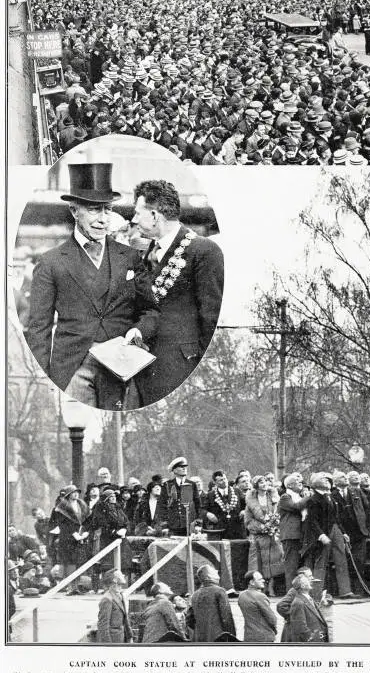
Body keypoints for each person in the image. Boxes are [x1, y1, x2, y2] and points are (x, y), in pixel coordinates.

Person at [24, 162, 158, 409]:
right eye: (94, 210)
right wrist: (45, 381)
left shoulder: (129, 257)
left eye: (107, 210)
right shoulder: (51, 262)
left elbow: (150, 311)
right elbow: (38, 329)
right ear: (74, 211)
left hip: (119, 370)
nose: (103, 219)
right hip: (73, 369)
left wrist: (138, 331)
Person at [131, 179, 223, 404]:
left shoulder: (203, 251)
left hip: (180, 372)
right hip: (143, 370)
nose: (133, 220)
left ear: (154, 216)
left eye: (137, 213)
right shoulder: (147, 252)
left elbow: (211, 319)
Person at [300, 472, 354, 599]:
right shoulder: (312, 500)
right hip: (323, 533)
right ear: (315, 483)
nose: (327, 481)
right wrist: (321, 535)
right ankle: (316, 593)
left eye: (328, 480)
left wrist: (343, 532)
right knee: (321, 562)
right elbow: (311, 521)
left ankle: (345, 590)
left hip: (335, 530)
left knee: (341, 559)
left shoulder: (330, 497)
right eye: (323, 479)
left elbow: (336, 517)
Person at [244, 475, 283, 594]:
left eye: (265, 481)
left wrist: (273, 525)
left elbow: (279, 514)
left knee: (272, 561)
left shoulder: (273, 498)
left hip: (272, 535)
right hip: (258, 536)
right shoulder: (251, 501)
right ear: (256, 486)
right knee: (258, 563)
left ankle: (271, 586)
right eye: (261, 482)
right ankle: (259, 587)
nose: (264, 484)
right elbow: (248, 520)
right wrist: (262, 527)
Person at [278, 472, 311, 592]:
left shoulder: (300, 497)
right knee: (291, 566)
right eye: (298, 483)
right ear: (290, 485)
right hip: (291, 535)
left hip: (301, 535)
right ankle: (291, 593)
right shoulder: (285, 497)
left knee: (300, 566)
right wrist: (308, 497)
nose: (301, 484)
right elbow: (296, 507)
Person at [186, 564, 237, 642]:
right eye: (214, 571)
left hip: (199, 638)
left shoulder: (195, 595)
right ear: (208, 577)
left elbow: (189, 620)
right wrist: (232, 637)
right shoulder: (219, 591)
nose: (217, 571)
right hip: (217, 638)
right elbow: (226, 618)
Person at [157, 456, 201, 536]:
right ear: (174, 470)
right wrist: (164, 525)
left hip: (189, 525)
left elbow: (198, 505)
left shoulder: (192, 484)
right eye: (181, 467)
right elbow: (162, 506)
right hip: (172, 526)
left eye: (185, 467)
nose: (184, 469)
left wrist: (198, 523)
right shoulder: (167, 486)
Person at [238, 570, 279, 643]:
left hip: (249, 636)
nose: (263, 580)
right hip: (264, 637)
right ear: (252, 582)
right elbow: (272, 619)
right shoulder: (260, 596)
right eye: (260, 579)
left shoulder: (241, 595)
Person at [287, 573, 330, 643]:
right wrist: (314, 639)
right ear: (303, 586)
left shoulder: (308, 599)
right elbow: (301, 628)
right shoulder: (298, 603)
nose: (310, 581)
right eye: (307, 580)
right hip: (313, 643)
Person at [97, 569, 133, 643]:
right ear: (114, 581)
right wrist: (108, 646)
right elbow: (103, 626)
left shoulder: (120, 595)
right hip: (113, 641)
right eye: (120, 574)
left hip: (122, 638)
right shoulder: (107, 599)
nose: (123, 575)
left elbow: (125, 619)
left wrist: (130, 636)